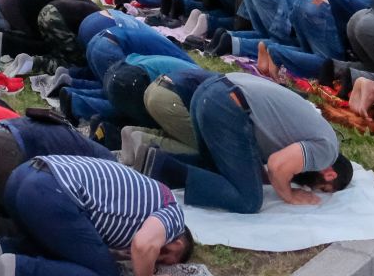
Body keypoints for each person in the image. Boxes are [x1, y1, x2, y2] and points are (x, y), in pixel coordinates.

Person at [0, 156, 193, 276]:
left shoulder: (150, 196)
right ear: (178, 244)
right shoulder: (173, 213)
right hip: (51, 191)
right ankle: (19, 269)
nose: (156, 263)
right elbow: (144, 245)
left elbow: (91, 225)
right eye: (165, 259)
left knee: (60, 251)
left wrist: (112, 252)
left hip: (23, 176)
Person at [138, 72, 351, 213]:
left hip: (212, 91)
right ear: (330, 174)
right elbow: (278, 166)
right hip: (228, 103)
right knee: (249, 200)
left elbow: (265, 165)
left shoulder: (316, 133)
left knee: (217, 171)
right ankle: (165, 168)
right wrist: (290, 195)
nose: (312, 189)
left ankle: (152, 160)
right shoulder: (327, 151)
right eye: (322, 188)